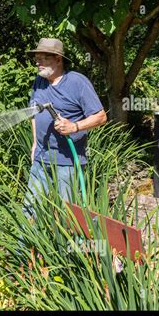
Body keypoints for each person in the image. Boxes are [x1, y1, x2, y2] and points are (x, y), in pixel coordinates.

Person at [23, 38, 107, 219]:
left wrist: (74, 126)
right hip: (41, 158)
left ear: (58, 59)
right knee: (30, 209)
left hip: (67, 161)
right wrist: (34, 143)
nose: (37, 63)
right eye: (36, 58)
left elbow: (101, 116)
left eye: (43, 58)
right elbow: (33, 113)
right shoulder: (40, 81)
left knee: (68, 215)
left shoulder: (77, 82)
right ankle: (23, 248)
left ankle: (70, 247)